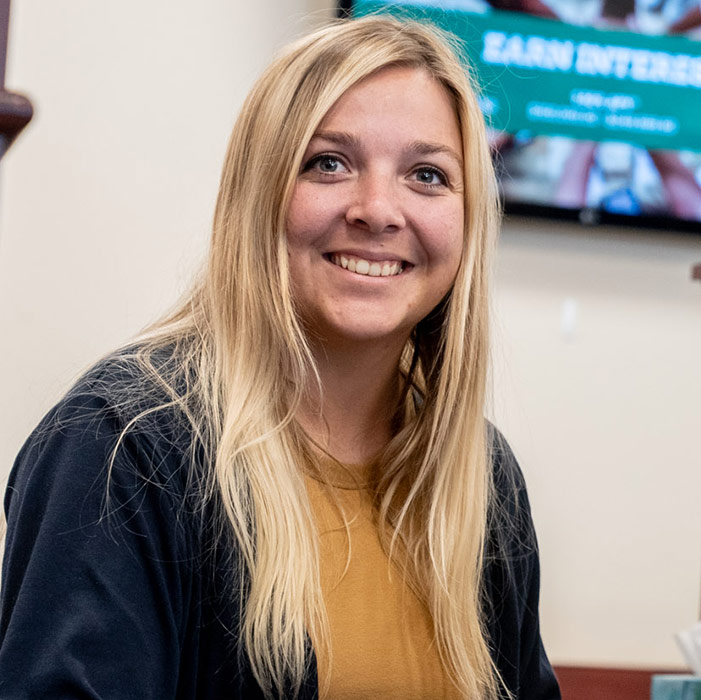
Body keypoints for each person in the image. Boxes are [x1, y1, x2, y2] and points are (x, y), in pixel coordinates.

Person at [0, 16, 561, 700]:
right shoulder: (122, 444)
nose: (378, 210)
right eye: (328, 162)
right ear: (258, 193)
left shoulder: (483, 478)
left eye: (427, 174)